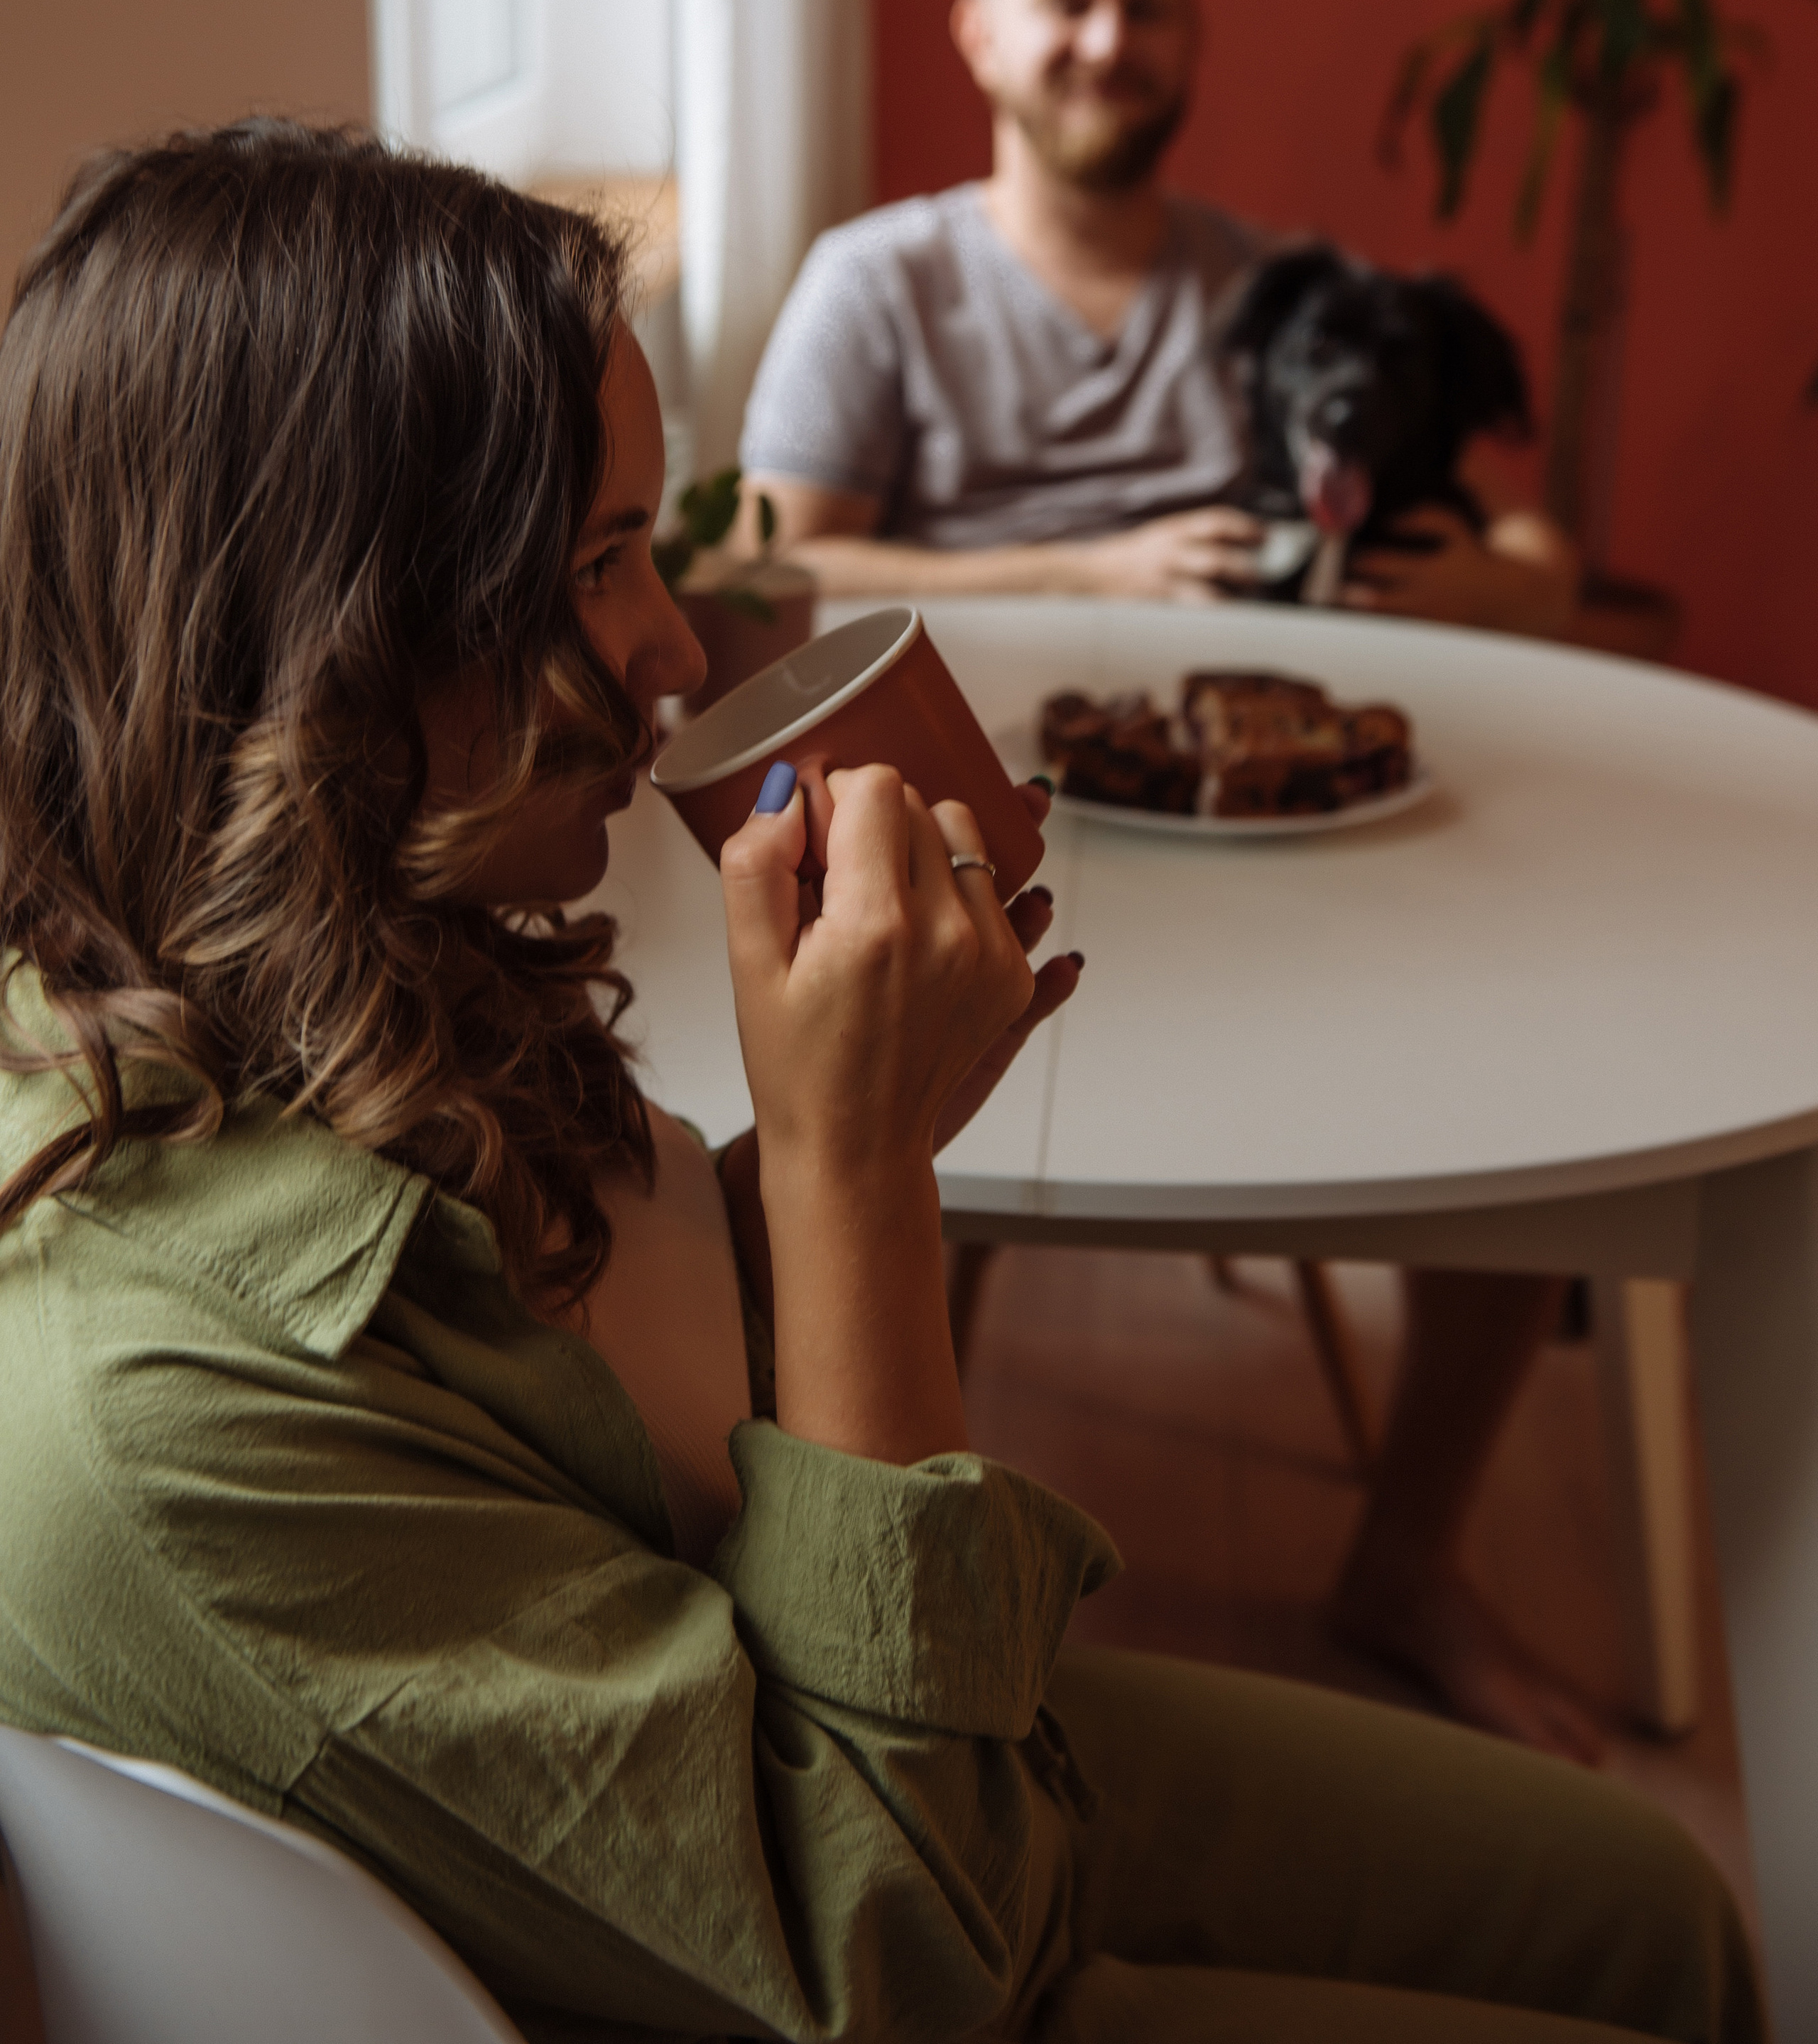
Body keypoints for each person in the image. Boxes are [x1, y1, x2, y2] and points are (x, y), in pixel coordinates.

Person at [0, 126, 1760, 2043]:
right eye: (594, 567)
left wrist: (855, 1132)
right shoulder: (173, 1410)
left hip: (864, 1771)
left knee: (1662, 1913)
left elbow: (611, 1417)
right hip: (889, 1912)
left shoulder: (279, 978)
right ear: (312, 638)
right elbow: (915, 1950)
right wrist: (854, 1182)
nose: (676, 645)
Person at [741, 0, 1596, 1763]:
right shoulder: (881, 280)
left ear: (1195, 39)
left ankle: (1409, 1560)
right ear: (981, 32)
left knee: (1535, 1058)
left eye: (1147, 7)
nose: (1108, 40)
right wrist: (1098, 565)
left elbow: (1533, 552)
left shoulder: (1280, 291)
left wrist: (1474, 581)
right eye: (1068, 0)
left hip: (1270, 843)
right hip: (969, 843)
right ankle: (884, 1585)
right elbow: (776, 568)